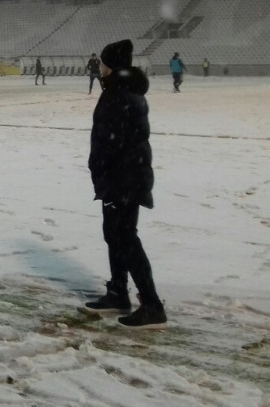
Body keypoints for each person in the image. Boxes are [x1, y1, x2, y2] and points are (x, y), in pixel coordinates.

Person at [85, 39, 166, 328]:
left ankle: (152, 304)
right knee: (115, 234)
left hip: (123, 178)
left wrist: (104, 172)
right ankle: (118, 291)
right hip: (124, 177)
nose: (101, 67)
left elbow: (112, 142)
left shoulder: (118, 94)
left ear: (111, 66)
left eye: (104, 63)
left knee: (125, 238)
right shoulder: (124, 91)